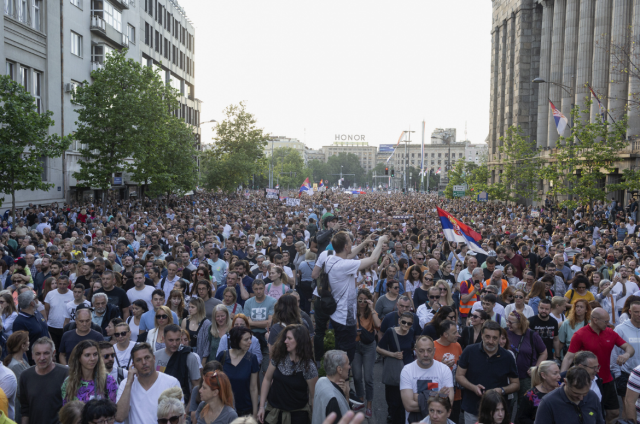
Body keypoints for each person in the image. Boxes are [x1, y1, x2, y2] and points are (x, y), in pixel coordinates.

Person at [311, 233, 389, 364]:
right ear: (346, 246)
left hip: (337, 314)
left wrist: (364, 242)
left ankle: (339, 378)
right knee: (346, 356)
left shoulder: (330, 258)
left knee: (341, 350)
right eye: (350, 243)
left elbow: (350, 254)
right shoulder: (344, 265)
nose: (352, 245)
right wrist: (381, 241)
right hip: (345, 318)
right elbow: (373, 259)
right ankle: (342, 380)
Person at [561, 307, 635, 424]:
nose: (608, 324)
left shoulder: (610, 333)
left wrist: (626, 354)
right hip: (588, 381)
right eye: (605, 321)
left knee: (614, 412)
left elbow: (629, 348)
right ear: (595, 320)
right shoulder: (580, 334)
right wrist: (561, 377)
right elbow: (569, 357)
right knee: (591, 412)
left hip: (607, 379)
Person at [456, 321, 519, 424]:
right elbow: (459, 375)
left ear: (499, 338)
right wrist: (474, 387)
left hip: (497, 413)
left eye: (495, 338)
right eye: (487, 337)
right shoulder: (469, 351)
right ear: (482, 335)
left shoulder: (507, 356)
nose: (491, 341)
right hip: (472, 409)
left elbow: (516, 384)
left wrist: (501, 390)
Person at [258, 324, 318, 424]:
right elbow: (267, 380)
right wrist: (261, 407)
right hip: (274, 414)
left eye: (289, 338)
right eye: (285, 338)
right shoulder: (278, 357)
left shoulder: (308, 366)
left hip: (297, 417)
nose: (285, 341)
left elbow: (314, 396)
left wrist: (315, 419)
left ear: (299, 341)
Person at [115, 343, 182, 424]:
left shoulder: (172, 383)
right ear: (133, 364)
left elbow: (179, 417)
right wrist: (129, 383)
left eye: (147, 358)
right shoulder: (125, 384)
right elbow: (119, 417)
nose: (144, 362)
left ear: (154, 358)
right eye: (138, 360)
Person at [400, 335, 454, 423]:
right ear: (416, 352)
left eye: (429, 350)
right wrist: (439, 395)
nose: (426, 354)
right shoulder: (407, 370)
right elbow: (409, 406)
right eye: (421, 351)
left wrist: (417, 397)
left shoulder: (444, 369)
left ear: (434, 351)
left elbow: (449, 403)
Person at [376, 311, 416, 424]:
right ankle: (393, 418)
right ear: (399, 321)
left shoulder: (411, 332)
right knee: (394, 400)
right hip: (394, 371)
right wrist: (393, 354)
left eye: (409, 324)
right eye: (404, 322)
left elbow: (411, 347)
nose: (406, 326)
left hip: (408, 370)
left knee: (406, 399)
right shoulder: (390, 332)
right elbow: (379, 349)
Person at [19, 337, 69, 424]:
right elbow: (25, 409)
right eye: (38, 354)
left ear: (53, 353)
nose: (42, 358)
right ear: (32, 355)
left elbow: (71, 407)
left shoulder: (65, 374)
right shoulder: (25, 376)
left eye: (46, 353)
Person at [533, 367, 604, 424]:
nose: (581, 398)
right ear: (565, 382)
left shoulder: (592, 396)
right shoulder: (548, 402)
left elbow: (600, 421)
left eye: (585, 393)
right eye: (576, 393)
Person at [505, 311, 548, 406]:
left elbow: (544, 352)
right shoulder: (505, 333)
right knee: (508, 405)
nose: (508, 324)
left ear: (520, 323)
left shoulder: (532, 335)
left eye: (511, 322)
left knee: (524, 405)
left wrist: (536, 368)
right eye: (507, 321)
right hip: (508, 377)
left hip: (526, 378)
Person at [216, 326, 259, 417]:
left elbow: (254, 388)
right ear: (236, 340)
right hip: (223, 409)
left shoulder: (252, 359)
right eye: (246, 339)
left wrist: (255, 413)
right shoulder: (222, 356)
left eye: (250, 339)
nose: (250, 342)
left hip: (245, 410)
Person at [154, 324, 201, 404]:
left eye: (177, 340)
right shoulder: (155, 356)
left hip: (182, 405)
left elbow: (196, 386)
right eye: (171, 340)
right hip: (159, 404)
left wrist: (188, 409)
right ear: (163, 339)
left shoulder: (189, 357)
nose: (175, 344)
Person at [351, 288, 379, 418]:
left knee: (368, 378)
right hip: (355, 346)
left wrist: (372, 307)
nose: (362, 302)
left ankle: (369, 405)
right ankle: (361, 400)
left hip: (368, 347)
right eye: (359, 299)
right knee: (356, 376)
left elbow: (378, 325)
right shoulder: (352, 312)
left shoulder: (371, 312)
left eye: (364, 300)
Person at [243, 279, 276, 372]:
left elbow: (270, 323)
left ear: (264, 288)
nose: (258, 291)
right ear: (252, 289)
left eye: (261, 288)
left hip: (266, 336)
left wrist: (252, 323)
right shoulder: (248, 302)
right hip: (252, 336)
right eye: (256, 289)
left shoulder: (272, 301)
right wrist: (263, 323)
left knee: (266, 368)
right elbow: (246, 323)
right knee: (251, 367)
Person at [433, 320, 463, 423]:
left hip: (456, 396)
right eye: (454, 333)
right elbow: (426, 373)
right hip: (438, 395)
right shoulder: (432, 347)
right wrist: (441, 367)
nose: (458, 335)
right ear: (445, 334)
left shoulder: (457, 346)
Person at [311, 350, 351, 424]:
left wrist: (346, 396)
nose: (349, 367)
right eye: (348, 364)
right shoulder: (333, 399)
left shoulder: (321, 381)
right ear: (339, 369)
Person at [12, 290, 48, 363]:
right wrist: (26, 364)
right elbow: (20, 346)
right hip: (35, 361)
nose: (37, 300)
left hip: (48, 356)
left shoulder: (37, 313)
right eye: (36, 298)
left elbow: (46, 331)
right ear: (32, 303)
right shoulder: (19, 322)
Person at [3, 331, 28, 423]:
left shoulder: (22, 360)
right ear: (22, 345)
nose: (29, 343)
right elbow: (20, 391)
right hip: (20, 408)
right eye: (27, 341)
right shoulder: (15, 365)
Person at [180, 297, 212, 366]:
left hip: (199, 355)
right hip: (185, 353)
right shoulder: (185, 321)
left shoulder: (206, 323)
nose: (189, 309)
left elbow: (207, 346)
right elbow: (181, 340)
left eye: (192, 307)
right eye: (189, 307)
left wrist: (203, 364)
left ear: (199, 308)